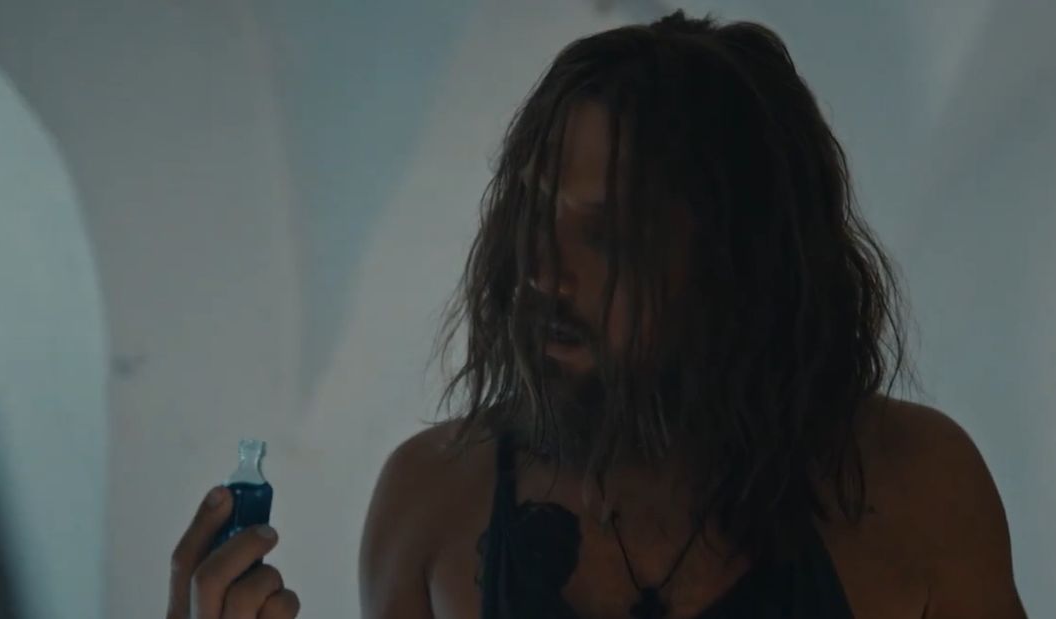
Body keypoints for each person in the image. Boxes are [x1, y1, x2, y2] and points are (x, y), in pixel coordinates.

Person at [166, 11, 1026, 618]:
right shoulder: (435, 504)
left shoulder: (915, 488)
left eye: (609, 235)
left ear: (745, 264)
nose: (542, 271)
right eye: (534, 214)